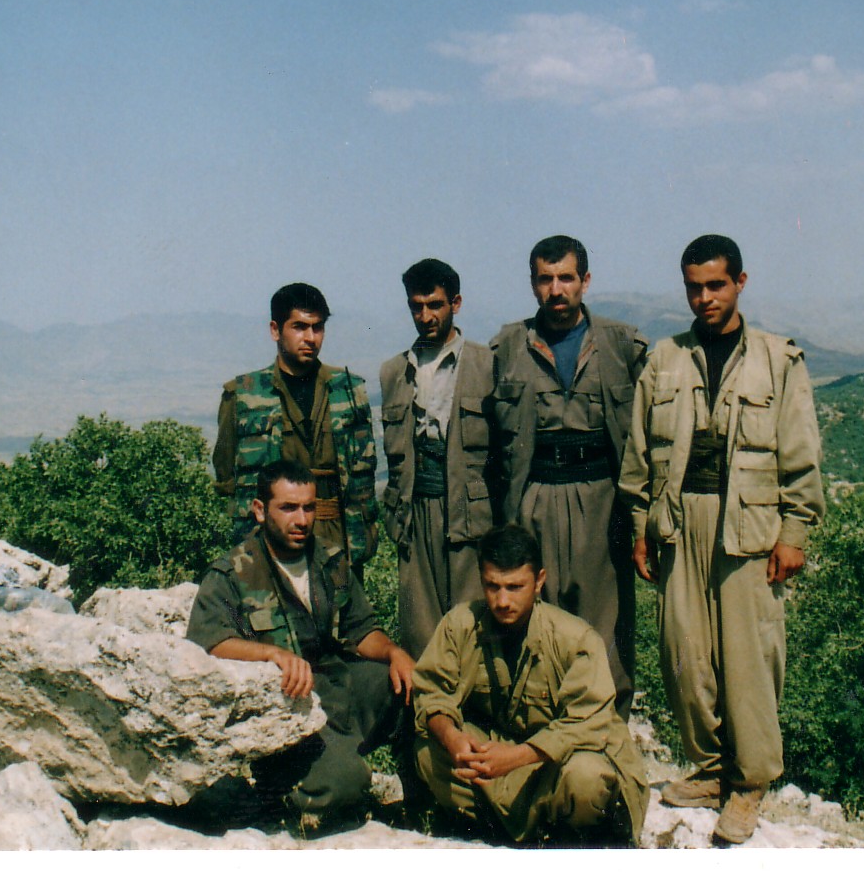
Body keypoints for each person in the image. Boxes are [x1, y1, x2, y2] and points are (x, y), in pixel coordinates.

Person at [618, 234, 825, 844]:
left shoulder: (777, 359)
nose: (704, 298)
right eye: (694, 287)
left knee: (749, 655)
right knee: (683, 652)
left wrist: (794, 531)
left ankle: (749, 781)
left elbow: (801, 453)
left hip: (749, 527)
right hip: (679, 522)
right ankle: (709, 768)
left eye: (716, 285)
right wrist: (640, 526)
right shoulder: (665, 359)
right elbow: (639, 451)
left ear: (740, 282)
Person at [186, 459, 416, 834]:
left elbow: (361, 630)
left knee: (414, 689)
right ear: (260, 510)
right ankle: (285, 794)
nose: (302, 520)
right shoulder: (233, 573)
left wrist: (394, 652)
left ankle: (420, 801)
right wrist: (271, 654)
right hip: (288, 711)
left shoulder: (329, 559)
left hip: (337, 687)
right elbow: (208, 642)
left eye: (309, 508)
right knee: (344, 782)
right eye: (288, 508)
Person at [488, 235, 646, 718]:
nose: (556, 289)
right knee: (535, 621)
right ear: (532, 283)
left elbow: (651, 433)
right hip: (532, 497)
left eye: (566, 278)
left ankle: (607, 731)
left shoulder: (621, 344)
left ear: (585, 281)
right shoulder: (507, 347)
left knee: (605, 624)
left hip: (603, 500)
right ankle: (540, 731)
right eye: (545, 279)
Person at [412, 527, 648, 845]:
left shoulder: (575, 639)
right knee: (429, 751)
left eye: (515, 587)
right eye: (492, 586)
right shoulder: (460, 625)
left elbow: (587, 725)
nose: (502, 601)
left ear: (539, 581)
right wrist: (452, 737)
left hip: (554, 763)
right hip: (498, 758)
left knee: (586, 778)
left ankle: (575, 831)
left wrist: (514, 757)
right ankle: (505, 828)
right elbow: (431, 693)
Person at [212, 282, 380, 572]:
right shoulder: (244, 396)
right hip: (269, 541)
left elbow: (364, 472)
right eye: (299, 327)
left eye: (318, 327)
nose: (310, 338)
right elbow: (227, 476)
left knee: (339, 600)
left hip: (338, 538)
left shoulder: (349, 391)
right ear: (275, 330)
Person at [379, 258, 498, 658]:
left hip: (470, 515)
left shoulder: (486, 364)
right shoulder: (394, 372)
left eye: (435, 305)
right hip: (414, 516)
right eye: (417, 306)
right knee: (420, 634)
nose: (426, 316)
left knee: (474, 630)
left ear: (456, 304)